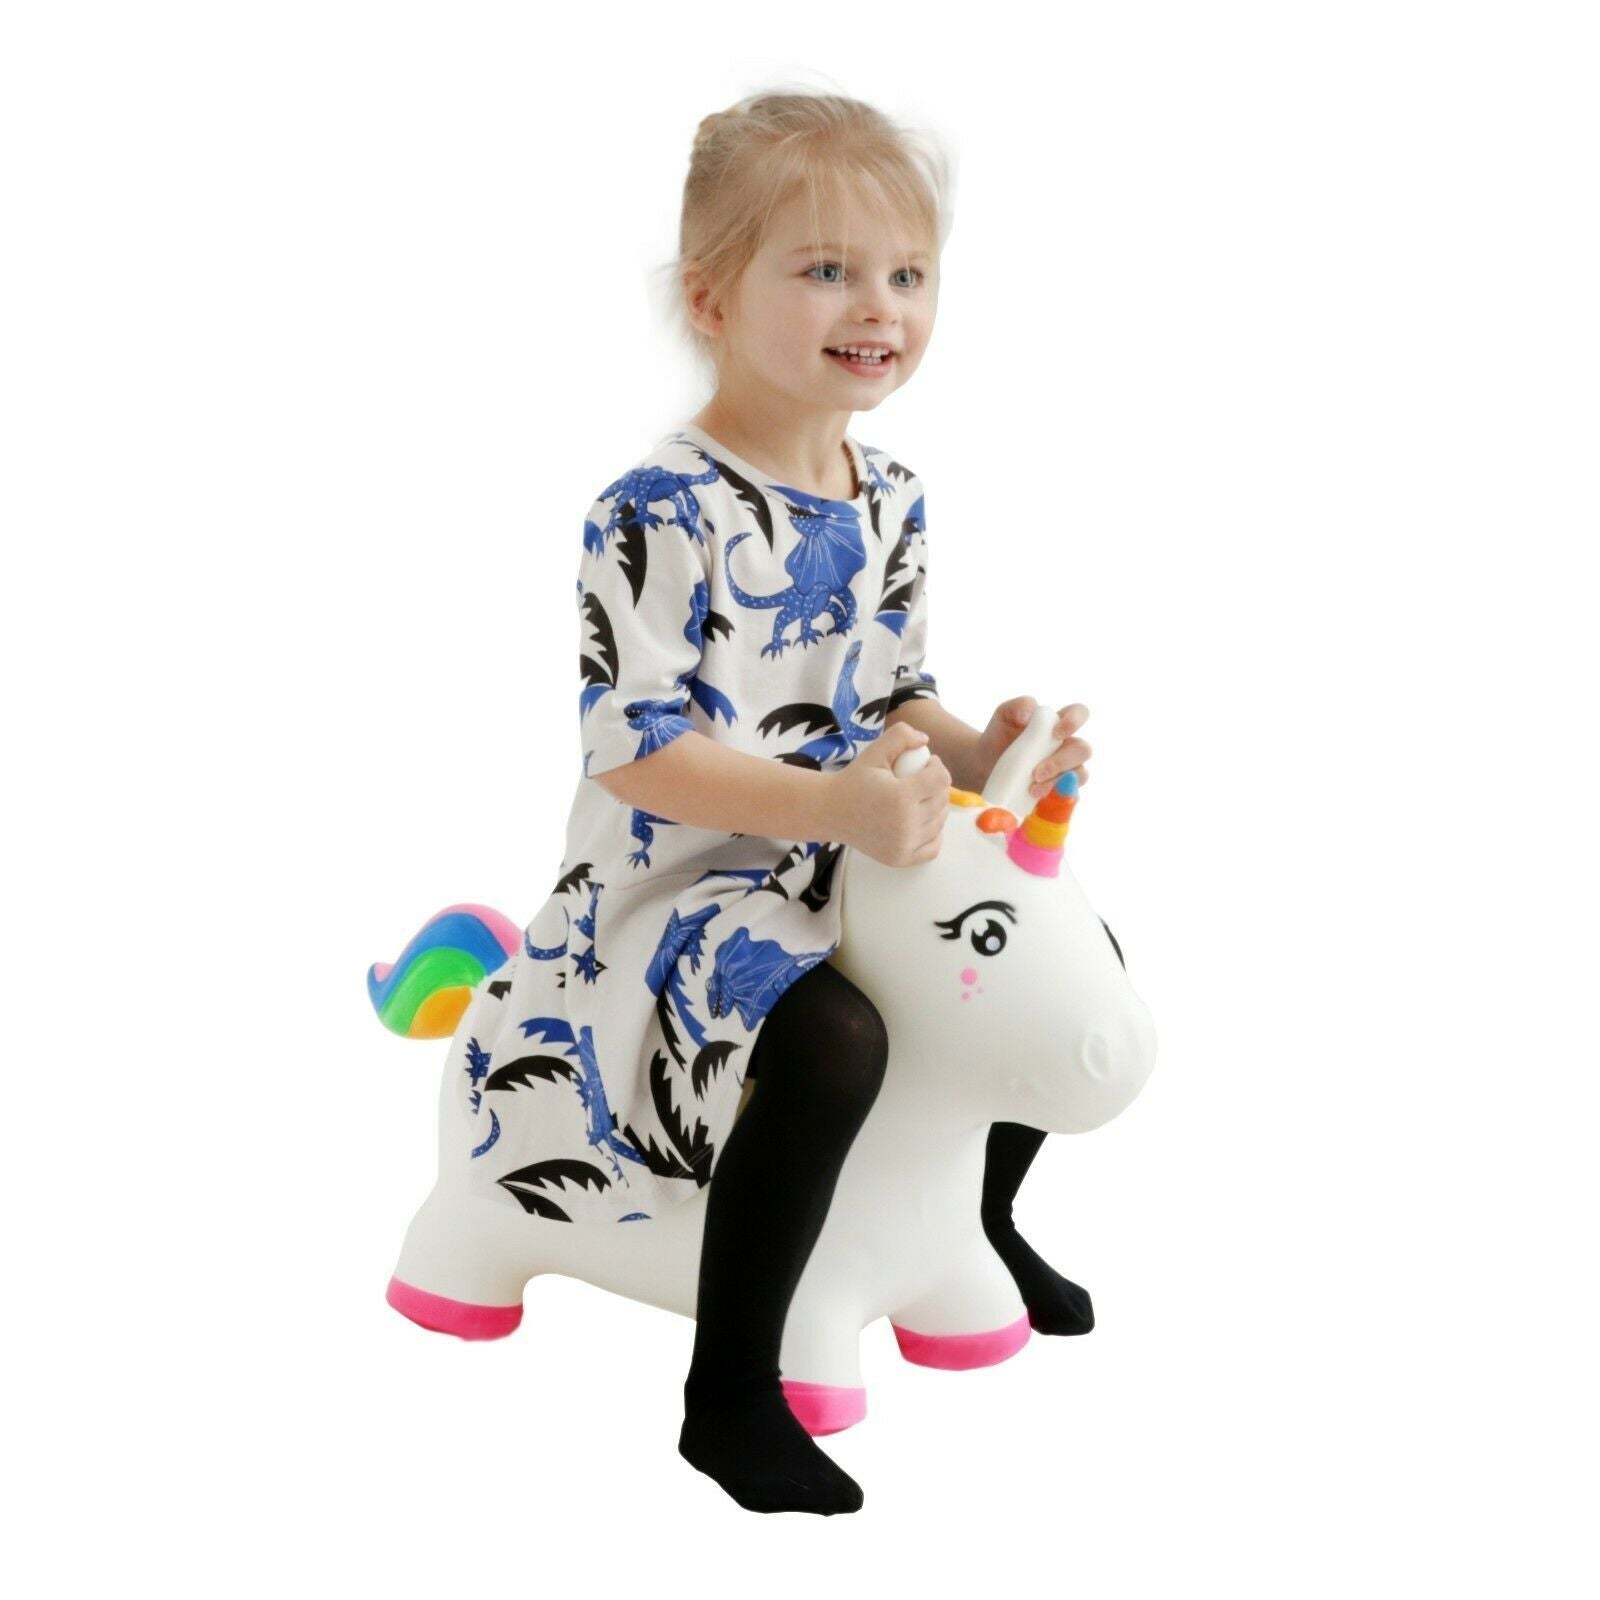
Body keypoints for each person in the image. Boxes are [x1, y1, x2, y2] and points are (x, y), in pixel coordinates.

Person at [455, 90, 1094, 1516]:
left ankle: (978, 1222)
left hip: (842, 857)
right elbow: (637, 751)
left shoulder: (893, 494)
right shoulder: (654, 508)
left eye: (907, 274)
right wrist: (840, 809)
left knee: (1033, 961)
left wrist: (985, 753)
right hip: (675, 888)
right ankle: (730, 1392)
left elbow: (890, 693)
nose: (879, 307)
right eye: (827, 270)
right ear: (712, 299)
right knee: (831, 1040)